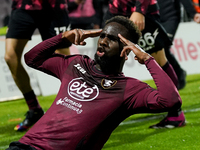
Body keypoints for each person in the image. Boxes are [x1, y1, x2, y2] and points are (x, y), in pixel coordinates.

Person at [6, 16, 182, 150]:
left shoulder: (129, 89)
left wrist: (146, 58)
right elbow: (32, 59)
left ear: (126, 50)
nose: (103, 42)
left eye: (112, 39)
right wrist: (62, 38)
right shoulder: (75, 64)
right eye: (103, 36)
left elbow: (171, 100)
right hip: (22, 145)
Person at [103, 0, 186, 128]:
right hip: (115, 11)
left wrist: (139, 10)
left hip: (142, 12)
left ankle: (175, 114)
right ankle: (102, 112)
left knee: (159, 59)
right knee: (108, 60)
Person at [4, 0, 71, 131]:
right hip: (23, 6)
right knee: (10, 57)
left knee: (66, 61)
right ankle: (34, 109)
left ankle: (74, 109)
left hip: (53, 7)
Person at [158, 0, 200, 90]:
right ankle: (174, 76)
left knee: (163, 47)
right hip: (155, 18)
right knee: (158, 50)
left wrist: (193, 13)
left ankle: (179, 75)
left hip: (171, 17)